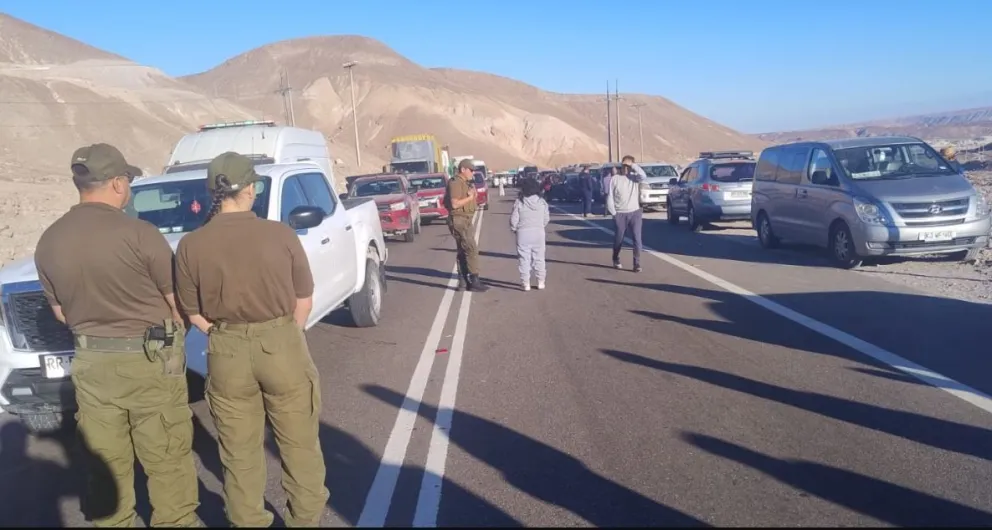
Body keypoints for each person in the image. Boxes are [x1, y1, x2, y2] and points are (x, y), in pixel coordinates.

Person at [34, 144, 202, 527]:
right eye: (126, 179)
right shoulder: (140, 233)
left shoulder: (49, 241)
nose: (127, 186)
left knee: (105, 465)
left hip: (91, 364)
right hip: (150, 362)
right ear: (115, 182)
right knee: (167, 461)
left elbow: (62, 314)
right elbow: (176, 302)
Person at [174, 152, 328, 527]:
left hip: (226, 352)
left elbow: (192, 312)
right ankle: (304, 521)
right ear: (251, 189)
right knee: (299, 447)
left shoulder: (191, 245)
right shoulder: (280, 234)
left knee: (239, 455)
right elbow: (303, 300)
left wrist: (224, 335)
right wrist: (286, 334)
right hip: (281, 342)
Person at [443, 159, 489, 292]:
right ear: (463, 169)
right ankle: (474, 280)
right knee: (471, 248)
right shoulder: (456, 182)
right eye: (471, 170)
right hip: (459, 220)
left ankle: (463, 282)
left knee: (463, 251)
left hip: (464, 219)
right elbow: (455, 204)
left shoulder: (465, 183)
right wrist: (469, 197)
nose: (473, 172)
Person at [606, 155, 648, 272]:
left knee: (637, 238)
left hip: (635, 212)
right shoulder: (615, 179)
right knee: (619, 238)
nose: (625, 168)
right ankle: (616, 258)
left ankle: (637, 263)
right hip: (620, 213)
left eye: (628, 166)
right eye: (624, 166)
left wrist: (633, 165)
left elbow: (643, 175)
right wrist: (614, 213)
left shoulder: (635, 178)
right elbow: (610, 196)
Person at [510, 177, 550, 291]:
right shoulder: (542, 202)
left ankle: (525, 283)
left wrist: (514, 228)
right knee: (539, 258)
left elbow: (514, 219)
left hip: (523, 233)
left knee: (524, 258)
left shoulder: (520, 202)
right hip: (538, 232)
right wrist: (540, 226)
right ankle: (541, 281)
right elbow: (546, 218)